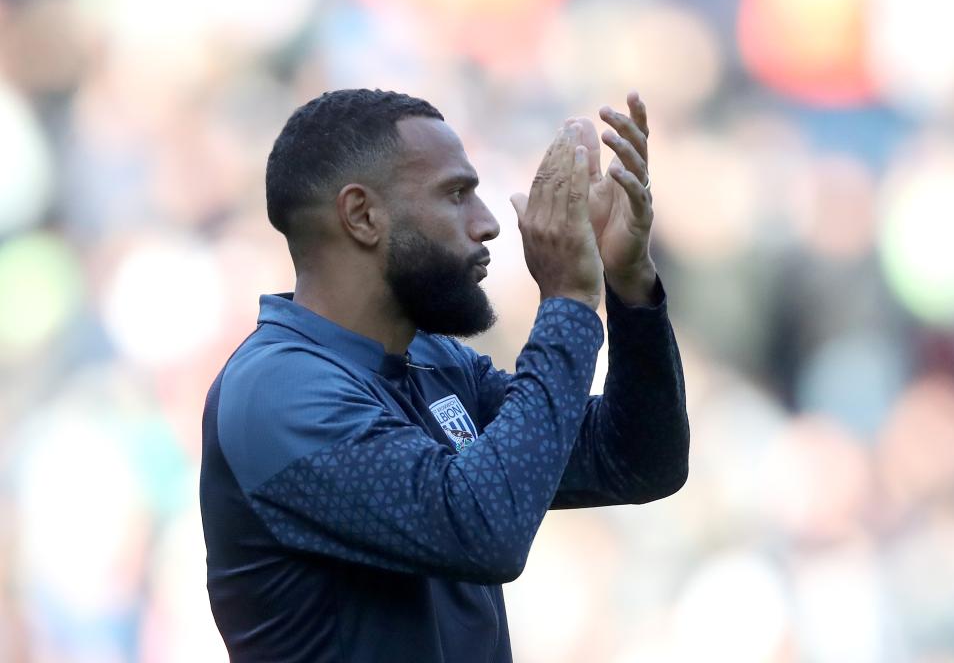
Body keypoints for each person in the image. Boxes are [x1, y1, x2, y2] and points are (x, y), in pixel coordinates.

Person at [199, 88, 689, 662]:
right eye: (456, 194)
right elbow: (485, 529)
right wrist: (568, 298)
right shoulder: (278, 391)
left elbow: (637, 460)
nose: (488, 224)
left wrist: (626, 285)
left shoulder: (435, 364)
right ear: (362, 215)